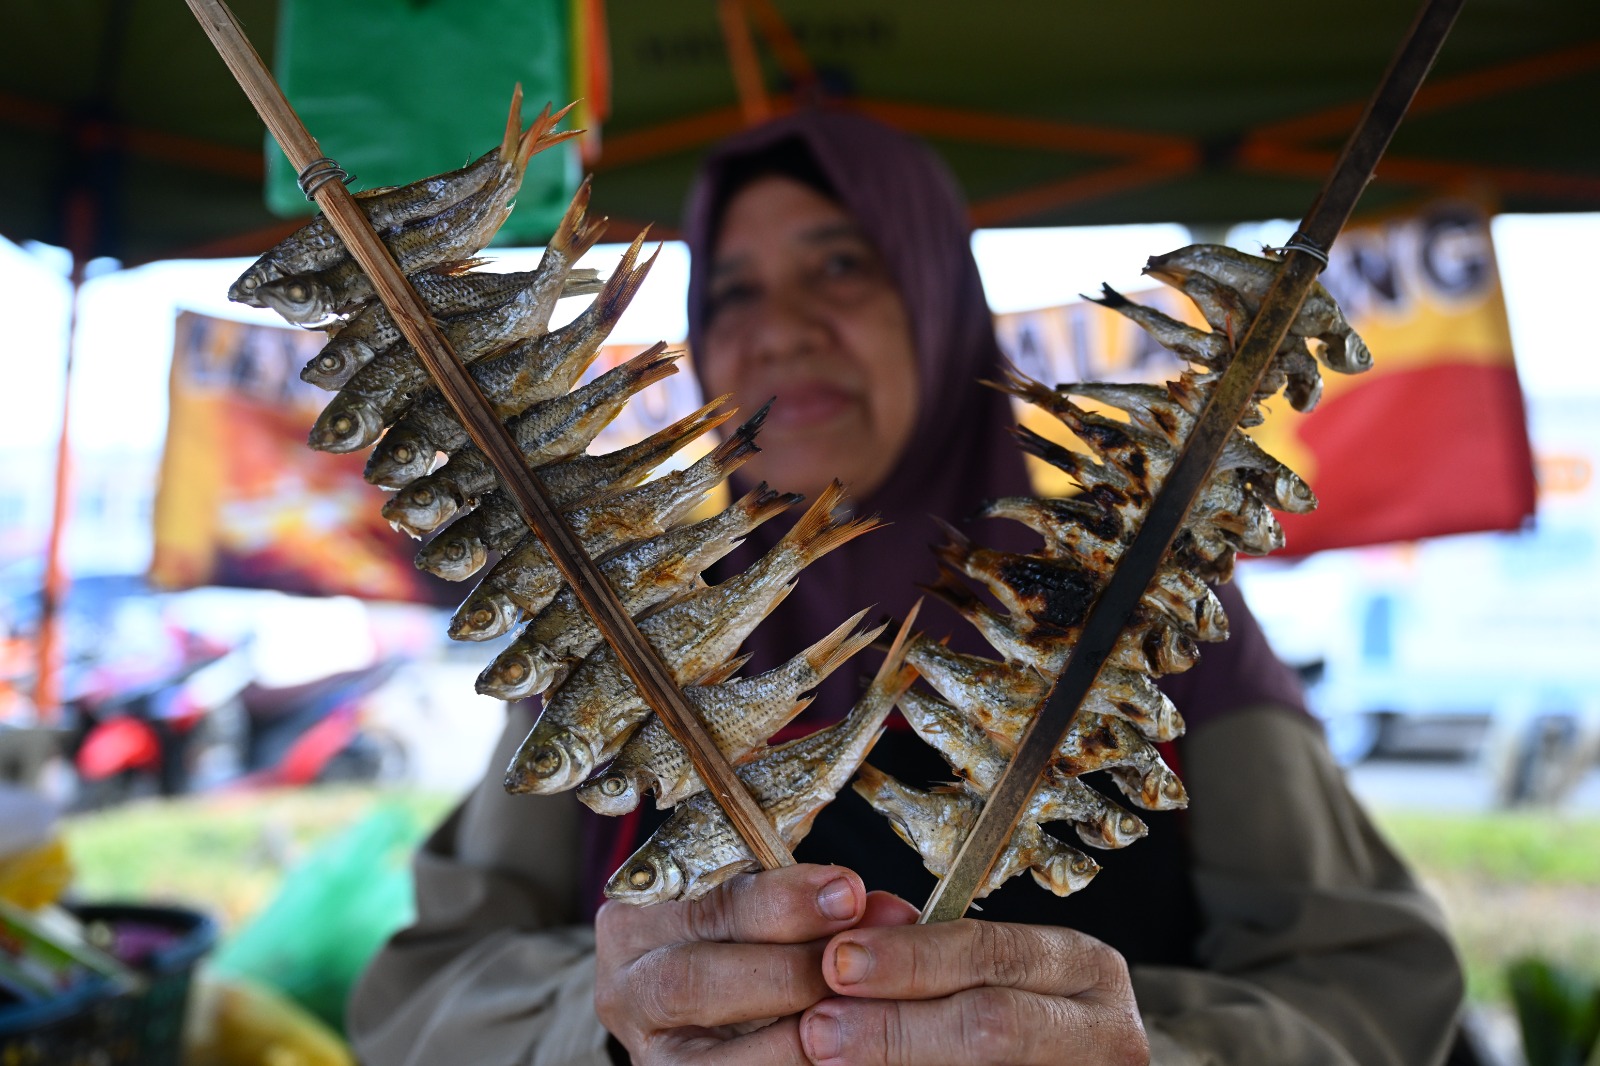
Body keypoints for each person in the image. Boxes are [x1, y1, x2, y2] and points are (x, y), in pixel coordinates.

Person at [348, 110, 1465, 1066]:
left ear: (937, 295)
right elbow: (420, 996)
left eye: (841, 265)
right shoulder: (618, 628)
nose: (779, 330)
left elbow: (1376, 983)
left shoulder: (1147, 617)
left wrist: (1150, 1046)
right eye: (732, 291)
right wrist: (600, 1022)